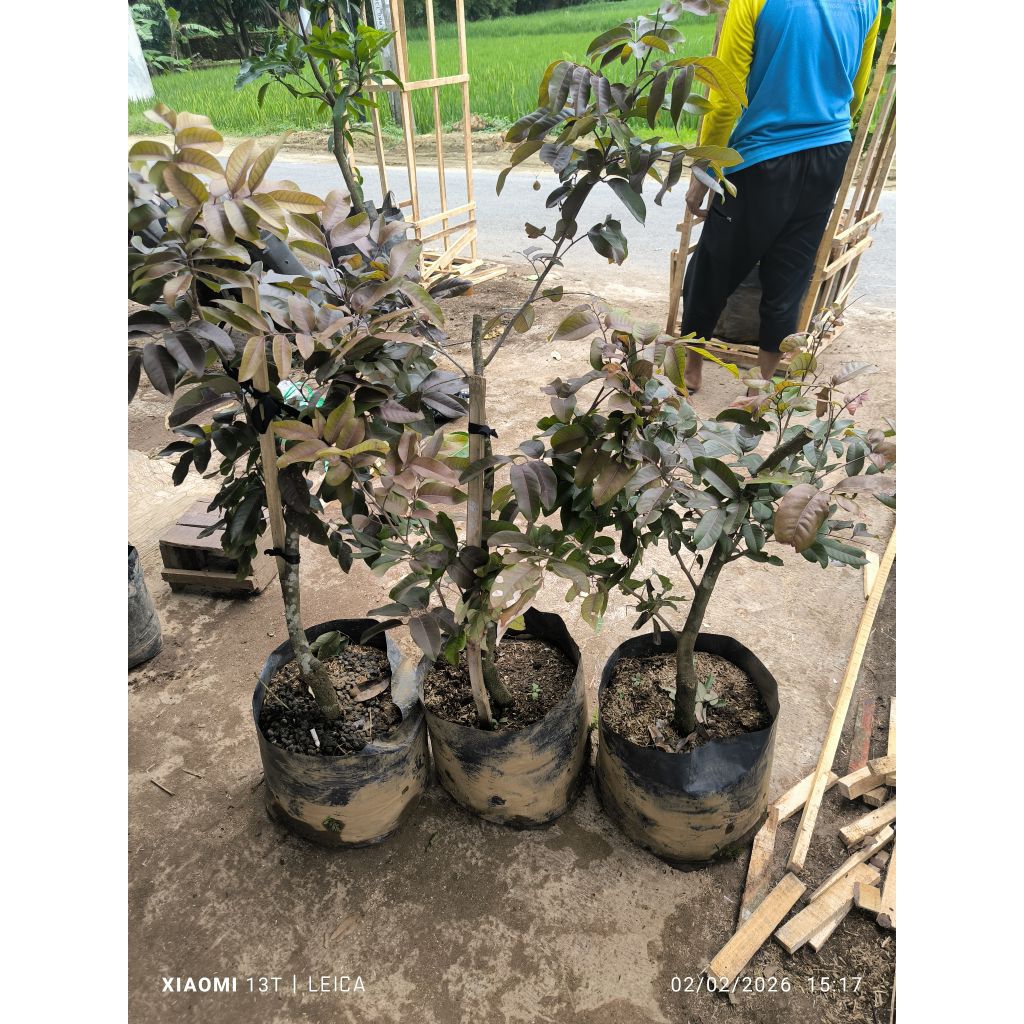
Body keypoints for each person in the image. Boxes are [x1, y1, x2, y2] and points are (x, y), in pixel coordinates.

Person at [680, 0, 882, 393]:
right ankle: (763, 383)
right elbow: (856, 91)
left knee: (714, 265)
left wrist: (703, 170)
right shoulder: (868, 3)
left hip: (763, 156)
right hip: (830, 151)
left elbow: (724, 97)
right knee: (790, 269)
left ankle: (691, 369)